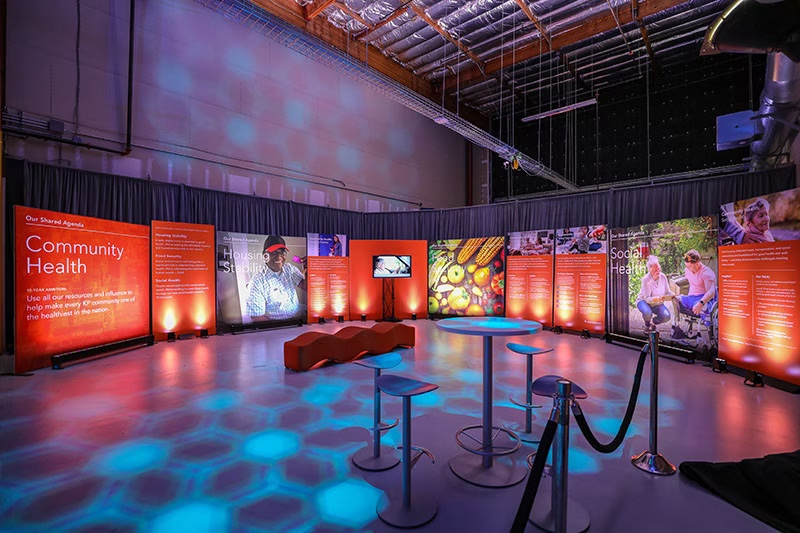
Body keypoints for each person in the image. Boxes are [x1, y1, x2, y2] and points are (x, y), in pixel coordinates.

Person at [245, 235, 306, 321]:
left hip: (298, 318)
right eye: (274, 253)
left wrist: (310, 268)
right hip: (277, 324)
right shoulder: (257, 282)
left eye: (282, 253)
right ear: (265, 256)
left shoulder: (290, 269)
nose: (279, 257)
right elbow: (257, 317)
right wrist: (281, 326)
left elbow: (305, 286)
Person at [672, 249, 716, 338]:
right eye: (687, 266)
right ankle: (677, 327)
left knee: (703, 306)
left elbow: (711, 292)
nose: (688, 269)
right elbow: (689, 282)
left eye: (689, 267)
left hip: (703, 298)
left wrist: (701, 303)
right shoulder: (687, 270)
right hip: (691, 297)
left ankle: (705, 318)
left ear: (697, 263)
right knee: (675, 299)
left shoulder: (706, 273)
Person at [636, 255, 674, 333]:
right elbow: (647, 299)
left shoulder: (663, 277)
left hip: (657, 303)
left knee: (666, 316)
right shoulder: (646, 279)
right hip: (643, 301)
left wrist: (674, 295)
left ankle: (652, 323)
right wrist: (656, 299)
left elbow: (668, 291)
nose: (657, 271)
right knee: (647, 312)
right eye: (655, 270)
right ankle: (647, 325)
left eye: (658, 269)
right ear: (650, 270)